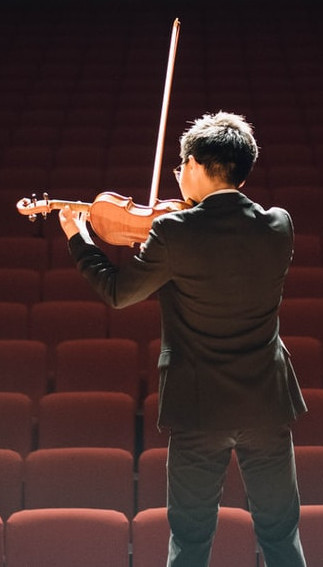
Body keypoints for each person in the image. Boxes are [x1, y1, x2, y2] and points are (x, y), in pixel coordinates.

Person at [59, 111, 307, 567]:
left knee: (191, 540)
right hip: (267, 402)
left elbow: (117, 292)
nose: (177, 174)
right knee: (280, 533)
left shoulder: (173, 232)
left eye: (180, 166)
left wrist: (80, 237)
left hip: (199, 407)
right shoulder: (279, 225)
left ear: (194, 164)